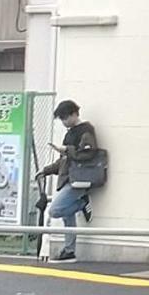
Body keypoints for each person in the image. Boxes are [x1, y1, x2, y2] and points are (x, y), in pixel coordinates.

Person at [38, 100, 100, 263]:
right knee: (67, 214)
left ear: (74, 114)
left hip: (79, 179)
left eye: (65, 118)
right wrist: (47, 170)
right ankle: (69, 250)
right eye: (61, 119)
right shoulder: (69, 133)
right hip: (69, 177)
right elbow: (63, 160)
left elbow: (88, 153)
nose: (64, 122)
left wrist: (67, 150)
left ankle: (81, 204)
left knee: (55, 210)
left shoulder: (86, 130)